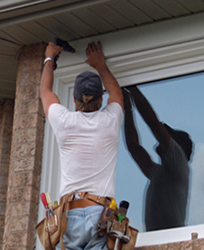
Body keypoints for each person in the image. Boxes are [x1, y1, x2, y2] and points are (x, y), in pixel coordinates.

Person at [39, 41, 124, 250]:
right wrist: (100, 65)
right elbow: (117, 94)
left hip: (69, 215)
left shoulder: (64, 122)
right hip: (100, 214)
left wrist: (49, 57)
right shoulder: (110, 121)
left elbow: (45, 92)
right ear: (101, 98)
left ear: (74, 98)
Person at [122, 86, 193, 231]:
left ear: (181, 147)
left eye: (169, 136)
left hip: (172, 242)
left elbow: (152, 122)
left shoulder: (179, 163)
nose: (163, 138)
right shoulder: (160, 174)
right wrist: (128, 110)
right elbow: (133, 146)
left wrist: (133, 88)